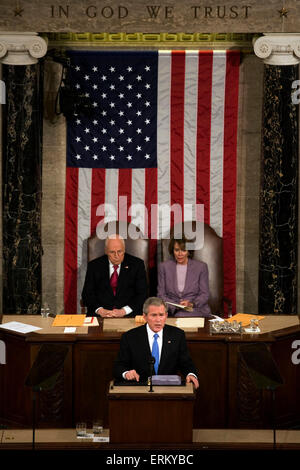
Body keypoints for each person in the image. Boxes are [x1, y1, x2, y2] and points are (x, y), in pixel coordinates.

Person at [113, 297, 199, 389]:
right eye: (153, 315)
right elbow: (119, 366)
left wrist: (191, 374)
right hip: (140, 389)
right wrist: (126, 373)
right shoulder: (130, 337)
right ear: (144, 316)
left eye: (161, 315)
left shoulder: (177, 335)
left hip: (169, 390)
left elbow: (186, 363)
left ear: (166, 315)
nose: (158, 320)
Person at [82, 234, 148, 317]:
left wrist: (124, 311)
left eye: (119, 251)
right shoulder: (94, 266)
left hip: (129, 315)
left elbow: (142, 294)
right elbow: (87, 294)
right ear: (106, 251)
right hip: (100, 315)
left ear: (124, 250)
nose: (116, 256)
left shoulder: (137, 265)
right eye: (112, 252)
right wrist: (99, 310)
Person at [157, 235, 211, 317]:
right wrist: (176, 306)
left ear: (189, 251)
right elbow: (161, 294)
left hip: (195, 309)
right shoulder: (164, 267)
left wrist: (192, 303)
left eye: (183, 250)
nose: (180, 254)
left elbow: (205, 294)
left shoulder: (201, 267)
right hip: (172, 310)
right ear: (173, 250)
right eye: (177, 250)